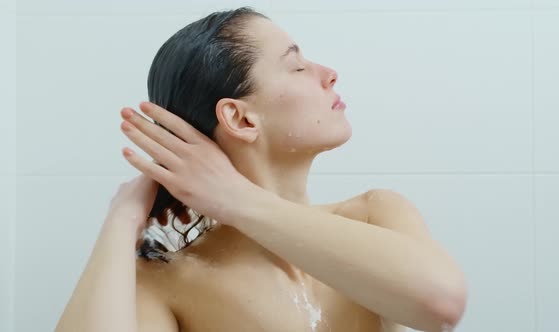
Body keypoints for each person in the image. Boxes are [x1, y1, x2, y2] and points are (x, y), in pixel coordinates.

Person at [55, 7, 466, 332]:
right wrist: (122, 218)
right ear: (241, 119)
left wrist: (235, 199)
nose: (329, 73)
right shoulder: (170, 279)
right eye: (298, 66)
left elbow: (441, 306)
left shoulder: (377, 213)